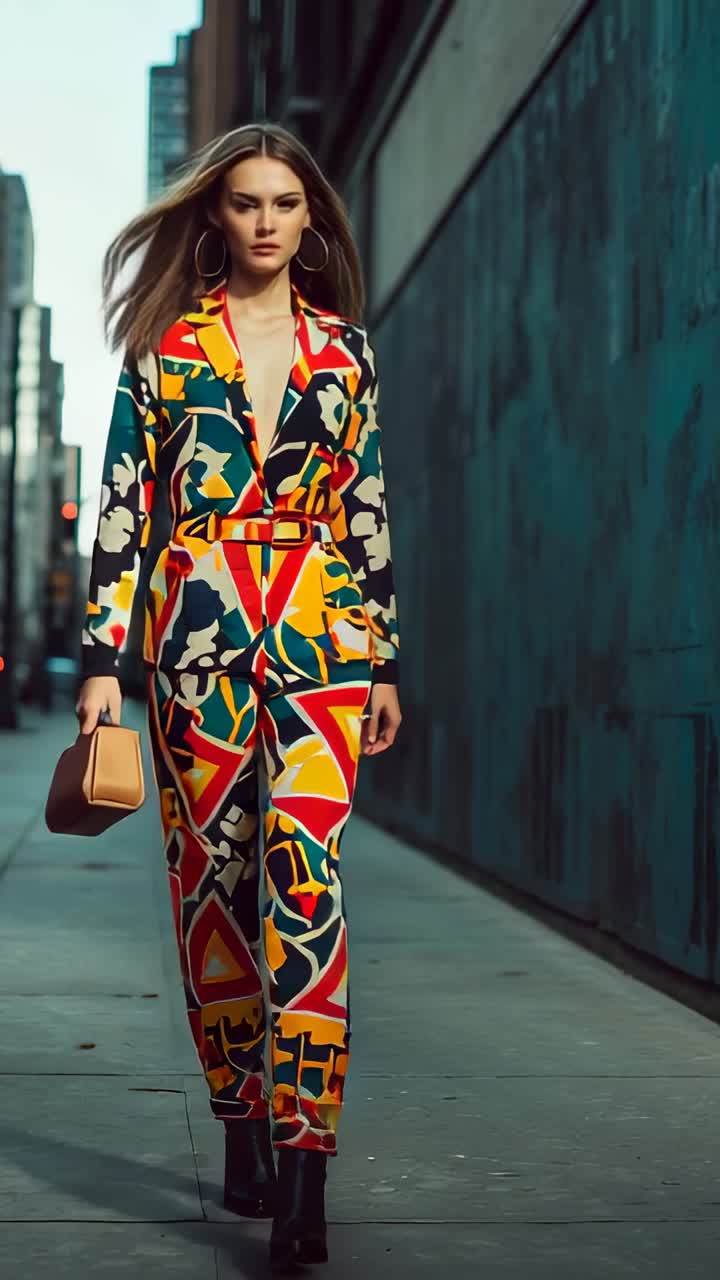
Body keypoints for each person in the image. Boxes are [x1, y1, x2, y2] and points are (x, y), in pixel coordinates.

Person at [74, 121, 401, 1270]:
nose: (266, 220)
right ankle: (241, 1120)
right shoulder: (164, 353)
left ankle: (305, 1167)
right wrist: (103, 663)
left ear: (312, 222)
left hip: (322, 646)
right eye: (246, 202)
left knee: (303, 886)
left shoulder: (346, 353)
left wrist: (388, 656)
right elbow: (120, 511)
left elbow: (365, 511)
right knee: (215, 887)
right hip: (193, 652)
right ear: (216, 216)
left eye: (285, 204)